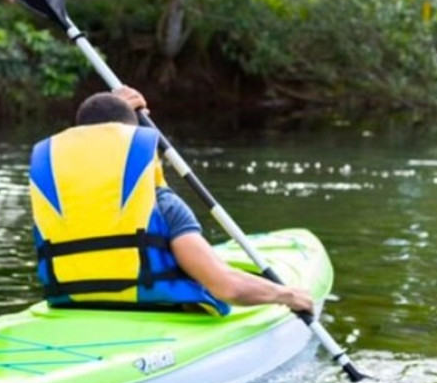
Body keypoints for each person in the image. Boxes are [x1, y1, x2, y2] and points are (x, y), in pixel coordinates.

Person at [28, 85, 314, 316]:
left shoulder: (52, 199)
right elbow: (227, 287)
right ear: (135, 136)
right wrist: (286, 294)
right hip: (154, 310)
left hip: (73, 308)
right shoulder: (162, 204)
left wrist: (116, 105)